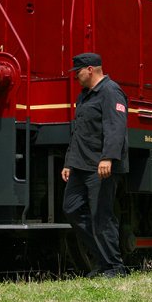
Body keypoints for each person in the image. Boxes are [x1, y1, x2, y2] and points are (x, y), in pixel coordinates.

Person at [61, 52, 129, 278]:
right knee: (71, 209)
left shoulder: (111, 92)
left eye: (78, 72)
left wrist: (108, 157)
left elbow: (115, 128)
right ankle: (102, 259)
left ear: (90, 69)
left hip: (100, 166)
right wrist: (69, 163)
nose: (75, 77)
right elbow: (78, 132)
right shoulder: (84, 96)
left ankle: (114, 266)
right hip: (80, 166)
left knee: (101, 215)